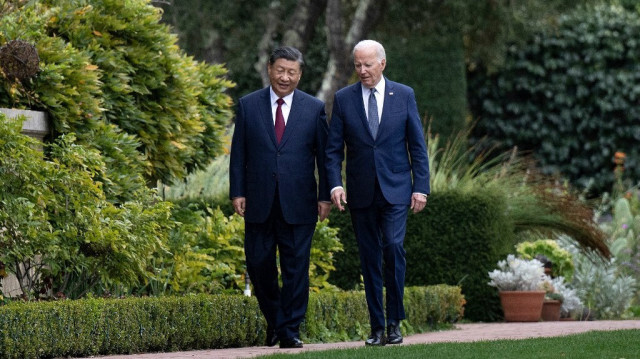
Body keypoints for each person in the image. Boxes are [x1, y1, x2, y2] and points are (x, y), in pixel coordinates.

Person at [325, 39, 430, 346]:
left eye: (368, 64)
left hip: (397, 189)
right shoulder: (344, 99)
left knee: (394, 248)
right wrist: (335, 183)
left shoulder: (404, 95)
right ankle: (377, 327)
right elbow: (333, 151)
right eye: (357, 65)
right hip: (361, 193)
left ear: (383, 63)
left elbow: (417, 147)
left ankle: (395, 321)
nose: (362, 71)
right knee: (369, 258)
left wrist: (421, 187)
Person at [229, 46, 330, 349]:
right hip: (259, 201)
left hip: (299, 203)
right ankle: (275, 320)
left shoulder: (314, 108)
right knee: (259, 265)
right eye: (280, 70)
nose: (285, 77)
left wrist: (325, 196)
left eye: (292, 72)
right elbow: (239, 154)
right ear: (270, 69)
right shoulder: (248, 105)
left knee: (296, 268)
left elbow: (325, 158)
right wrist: (238, 191)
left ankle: (289, 331)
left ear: (300, 74)